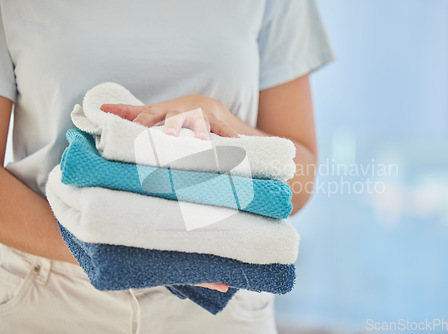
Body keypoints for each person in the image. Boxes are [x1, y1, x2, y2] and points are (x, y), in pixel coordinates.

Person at [0, 0, 334, 332]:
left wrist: (217, 115)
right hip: (50, 293)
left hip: (217, 306)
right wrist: (120, 252)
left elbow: (295, 180)